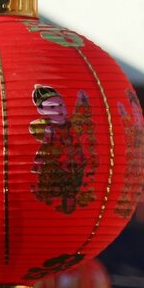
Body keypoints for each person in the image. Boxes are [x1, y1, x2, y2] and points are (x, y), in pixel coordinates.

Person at [29, 84, 96, 214]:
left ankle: (70, 196)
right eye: (52, 107)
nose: (59, 110)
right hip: (57, 163)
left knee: (74, 182)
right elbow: (45, 145)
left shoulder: (71, 124)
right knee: (55, 184)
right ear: (42, 111)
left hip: (74, 161)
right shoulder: (48, 129)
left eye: (61, 105)